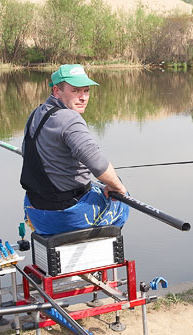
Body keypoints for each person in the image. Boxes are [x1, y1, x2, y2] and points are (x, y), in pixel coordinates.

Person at [20, 64, 129, 235]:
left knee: (102, 185)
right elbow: (98, 165)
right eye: (75, 91)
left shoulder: (36, 114)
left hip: (36, 213)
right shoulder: (69, 119)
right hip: (65, 217)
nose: (83, 97)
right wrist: (118, 186)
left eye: (86, 91)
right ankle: (95, 248)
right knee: (120, 196)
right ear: (56, 91)